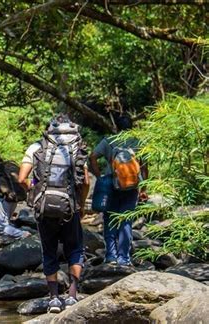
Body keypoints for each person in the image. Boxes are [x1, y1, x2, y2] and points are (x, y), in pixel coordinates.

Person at [18, 115, 89, 313]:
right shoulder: (77, 146)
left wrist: (36, 188)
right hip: (70, 207)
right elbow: (85, 182)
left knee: (49, 251)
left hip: (44, 207)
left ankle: (54, 300)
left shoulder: (37, 147)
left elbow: (22, 178)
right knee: (75, 249)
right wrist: (81, 206)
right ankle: (72, 296)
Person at [89, 115, 148, 266]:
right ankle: (124, 258)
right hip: (132, 187)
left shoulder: (109, 141)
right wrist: (144, 188)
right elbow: (145, 165)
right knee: (126, 221)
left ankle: (111, 256)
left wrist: (99, 176)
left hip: (111, 185)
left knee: (110, 219)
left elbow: (93, 156)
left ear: (116, 127)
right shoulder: (138, 142)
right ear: (132, 127)